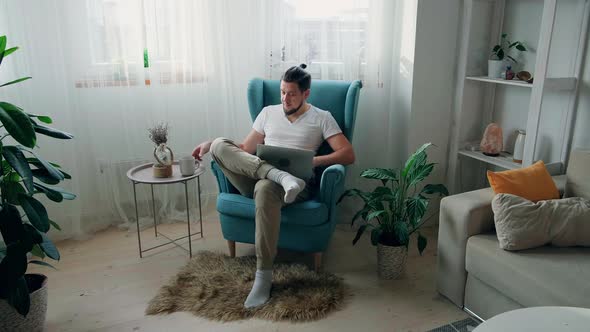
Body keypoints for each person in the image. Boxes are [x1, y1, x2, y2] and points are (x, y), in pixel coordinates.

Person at [192, 64, 355, 308]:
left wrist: (314, 160)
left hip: (295, 186)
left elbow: (348, 154)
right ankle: (276, 174)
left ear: (306, 94)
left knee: (266, 188)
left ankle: (263, 276)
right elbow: (246, 150)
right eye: (282, 92)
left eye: (291, 94)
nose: (285, 99)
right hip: (258, 176)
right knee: (218, 145)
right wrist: (211, 144)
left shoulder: (322, 117)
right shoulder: (268, 112)